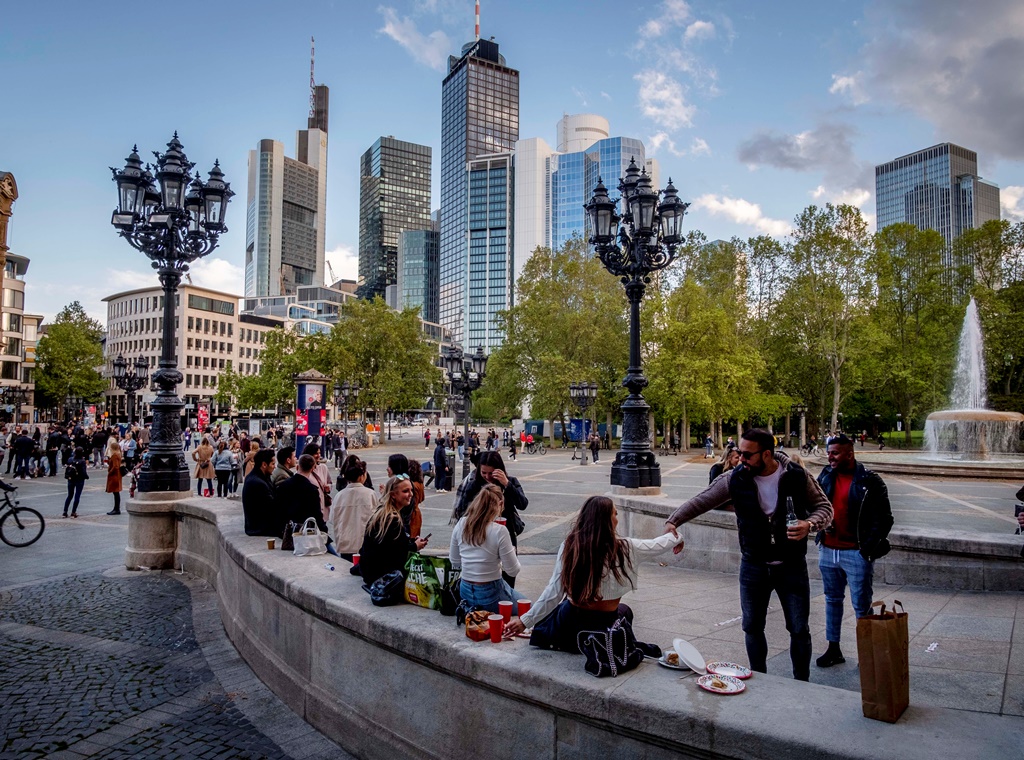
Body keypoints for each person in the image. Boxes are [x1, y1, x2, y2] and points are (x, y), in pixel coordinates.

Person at [662, 429, 833, 681]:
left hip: (791, 566)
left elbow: (825, 508)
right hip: (753, 564)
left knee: (799, 629)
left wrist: (809, 524)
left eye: (746, 454)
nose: (740, 458)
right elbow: (702, 500)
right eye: (739, 453)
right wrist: (672, 522)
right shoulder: (735, 478)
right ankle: (760, 680)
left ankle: (802, 682)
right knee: (752, 627)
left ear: (766, 454)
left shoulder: (796, 476)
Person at [504, 496, 683, 650]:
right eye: (615, 513)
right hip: (605, 620)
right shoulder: (627, 547)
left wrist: (525, 621)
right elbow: (659, 544)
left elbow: (554, 591)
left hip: (571, 620)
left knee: (547, 623)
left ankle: (575, 642)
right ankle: (612, 642)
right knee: (624, 612)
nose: (617, 518)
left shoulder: (570, 546)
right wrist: (678, 537)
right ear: (607, 520)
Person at [814, 434, 894, 668]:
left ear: (850, 453)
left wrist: (866, 548)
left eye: (835, 453)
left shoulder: (870, 481)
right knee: (832, 600)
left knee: (861, 604)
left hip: (855, 552)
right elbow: (816, 504)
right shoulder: (826, 475)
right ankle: (833, 648)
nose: (830, 457)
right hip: (828, 549)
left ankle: (866, 653)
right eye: (829, 452)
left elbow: (885, 519)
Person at [451, 451, 528, 588]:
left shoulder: (511, 481)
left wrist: (507, 484)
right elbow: (464, 512)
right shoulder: (474, 485)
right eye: (484, 472)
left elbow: (523, 504)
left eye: (491, 473)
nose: (487, 477)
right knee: (485, 579)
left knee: (508, 576)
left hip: (506, 533)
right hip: (482, 537)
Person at [450, 484, 524, 612]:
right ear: (500, 503)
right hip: (491, 592)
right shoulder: (500, 531)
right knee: (530, 608)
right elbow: (513, 571)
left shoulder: (461, 523)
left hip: (465, 591)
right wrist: (511, 550)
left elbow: (455, 562)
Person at [358, 475, 429, 586]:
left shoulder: (381, 512)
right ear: (393, 495)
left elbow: (389, 544)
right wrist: (415, 546)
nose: (411, 494)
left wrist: (410, 541)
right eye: (405, 491)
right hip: (381, 576)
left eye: (411, 490)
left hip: (370, 572)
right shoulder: (392, 518)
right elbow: (396, 553)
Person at [277, 454, 336, 555]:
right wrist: (324, 531)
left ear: (297, 466)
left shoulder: (283, 485)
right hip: (305, 533)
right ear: (313, 468)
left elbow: (279, 509)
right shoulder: (311, 489)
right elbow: (317, 515)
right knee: (332, 553)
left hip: (288, 531)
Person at [332, 457, 377, 559]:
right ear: (361, 476)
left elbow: (332, 519)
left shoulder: (339, 495)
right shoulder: (370, 494)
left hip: (345, 544)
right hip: (365, 544)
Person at [242, 449, 282, 537]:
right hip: (260, 529)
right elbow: (272, 507)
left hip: (258, 527)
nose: (274, 467)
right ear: (264, 464)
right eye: (272, 464)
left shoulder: (258, 477)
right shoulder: (258, 483)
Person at [63, 446, 89, 518]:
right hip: (79, 480)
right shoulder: (82, 461)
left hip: (71, 479)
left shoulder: (70, 459)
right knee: (77, 495)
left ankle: (65, 511)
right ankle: (73, 512)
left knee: (69, 495)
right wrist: (86, 476)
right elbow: (83, 472)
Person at [105, 436, 123, 515]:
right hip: (117, 475)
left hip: (114, 475)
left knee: (116, 492)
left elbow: (115, 467)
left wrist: (110, 472)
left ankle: (116, 509)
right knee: (116, 493)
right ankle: (116, 508)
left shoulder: (115, 456)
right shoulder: (118, 454)